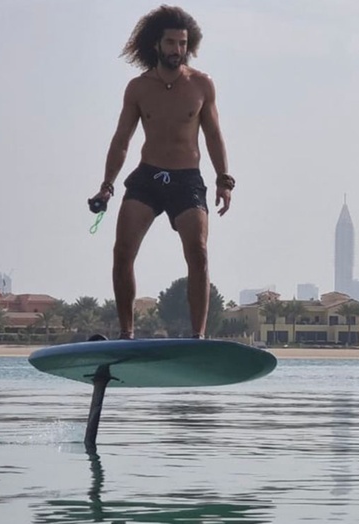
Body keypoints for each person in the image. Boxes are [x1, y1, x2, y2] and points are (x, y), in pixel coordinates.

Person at [90, 5, 234, 339]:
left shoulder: (202, 85)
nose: (177, 50)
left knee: (198, 253)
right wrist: (107, 186)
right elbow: (121, 140)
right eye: (171, 43)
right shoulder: (138, 88)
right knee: (122, 251)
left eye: (183, 44)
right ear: (157, 44)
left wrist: (224, 180)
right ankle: (127, 334)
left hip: (187, 180)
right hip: (148, 177)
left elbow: (213, 136)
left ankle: (198, 336)